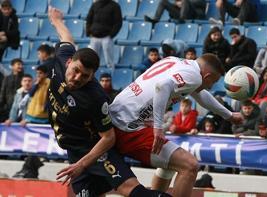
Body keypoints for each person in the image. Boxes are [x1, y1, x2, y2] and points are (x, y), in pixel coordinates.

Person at [48, 7, 171, 197]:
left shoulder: (95, 98)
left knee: (131, 190)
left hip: (95, 149)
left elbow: (108, 137)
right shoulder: (61, 57)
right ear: (69, 61)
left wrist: (82, 164)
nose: (77, 78)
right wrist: (56, 20)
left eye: (85, 76)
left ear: (92, 76)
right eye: (76, 71)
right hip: (74, 150)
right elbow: (67, 38)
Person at [109, 53, 241, 196]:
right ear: (207, 76)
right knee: (190, 165)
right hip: (128, 126)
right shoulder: (195, 76)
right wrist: (158, 128)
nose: (210, 86)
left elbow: (201, 95)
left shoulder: (174, 61)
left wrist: (229, 115)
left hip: (117, 115)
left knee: (170, 164)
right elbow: (162, 86)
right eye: (212, 82)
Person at [86, 0, 122, 69]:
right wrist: (88, 32)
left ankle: (111, 75)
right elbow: (89, 19)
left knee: (109, 60)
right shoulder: (95, 4)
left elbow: (118, 22)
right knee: (93, 59)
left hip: (106, 37)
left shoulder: (115, 6)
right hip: (94, 37)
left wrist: (111, 35)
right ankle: (93, 76)